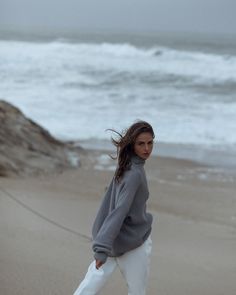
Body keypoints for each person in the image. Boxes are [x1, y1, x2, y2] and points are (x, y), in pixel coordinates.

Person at [73, 120, 155, 295]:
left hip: (111, 239)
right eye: (141, 143)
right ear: (132, 145)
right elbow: (119, 211)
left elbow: (113, 202)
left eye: (150, 143)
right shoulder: (134, 173)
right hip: (131, 243)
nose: (147, 148)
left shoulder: (126, 166)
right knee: (137, 292)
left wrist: (102, 243)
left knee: (89, 285)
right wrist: (102, 247)